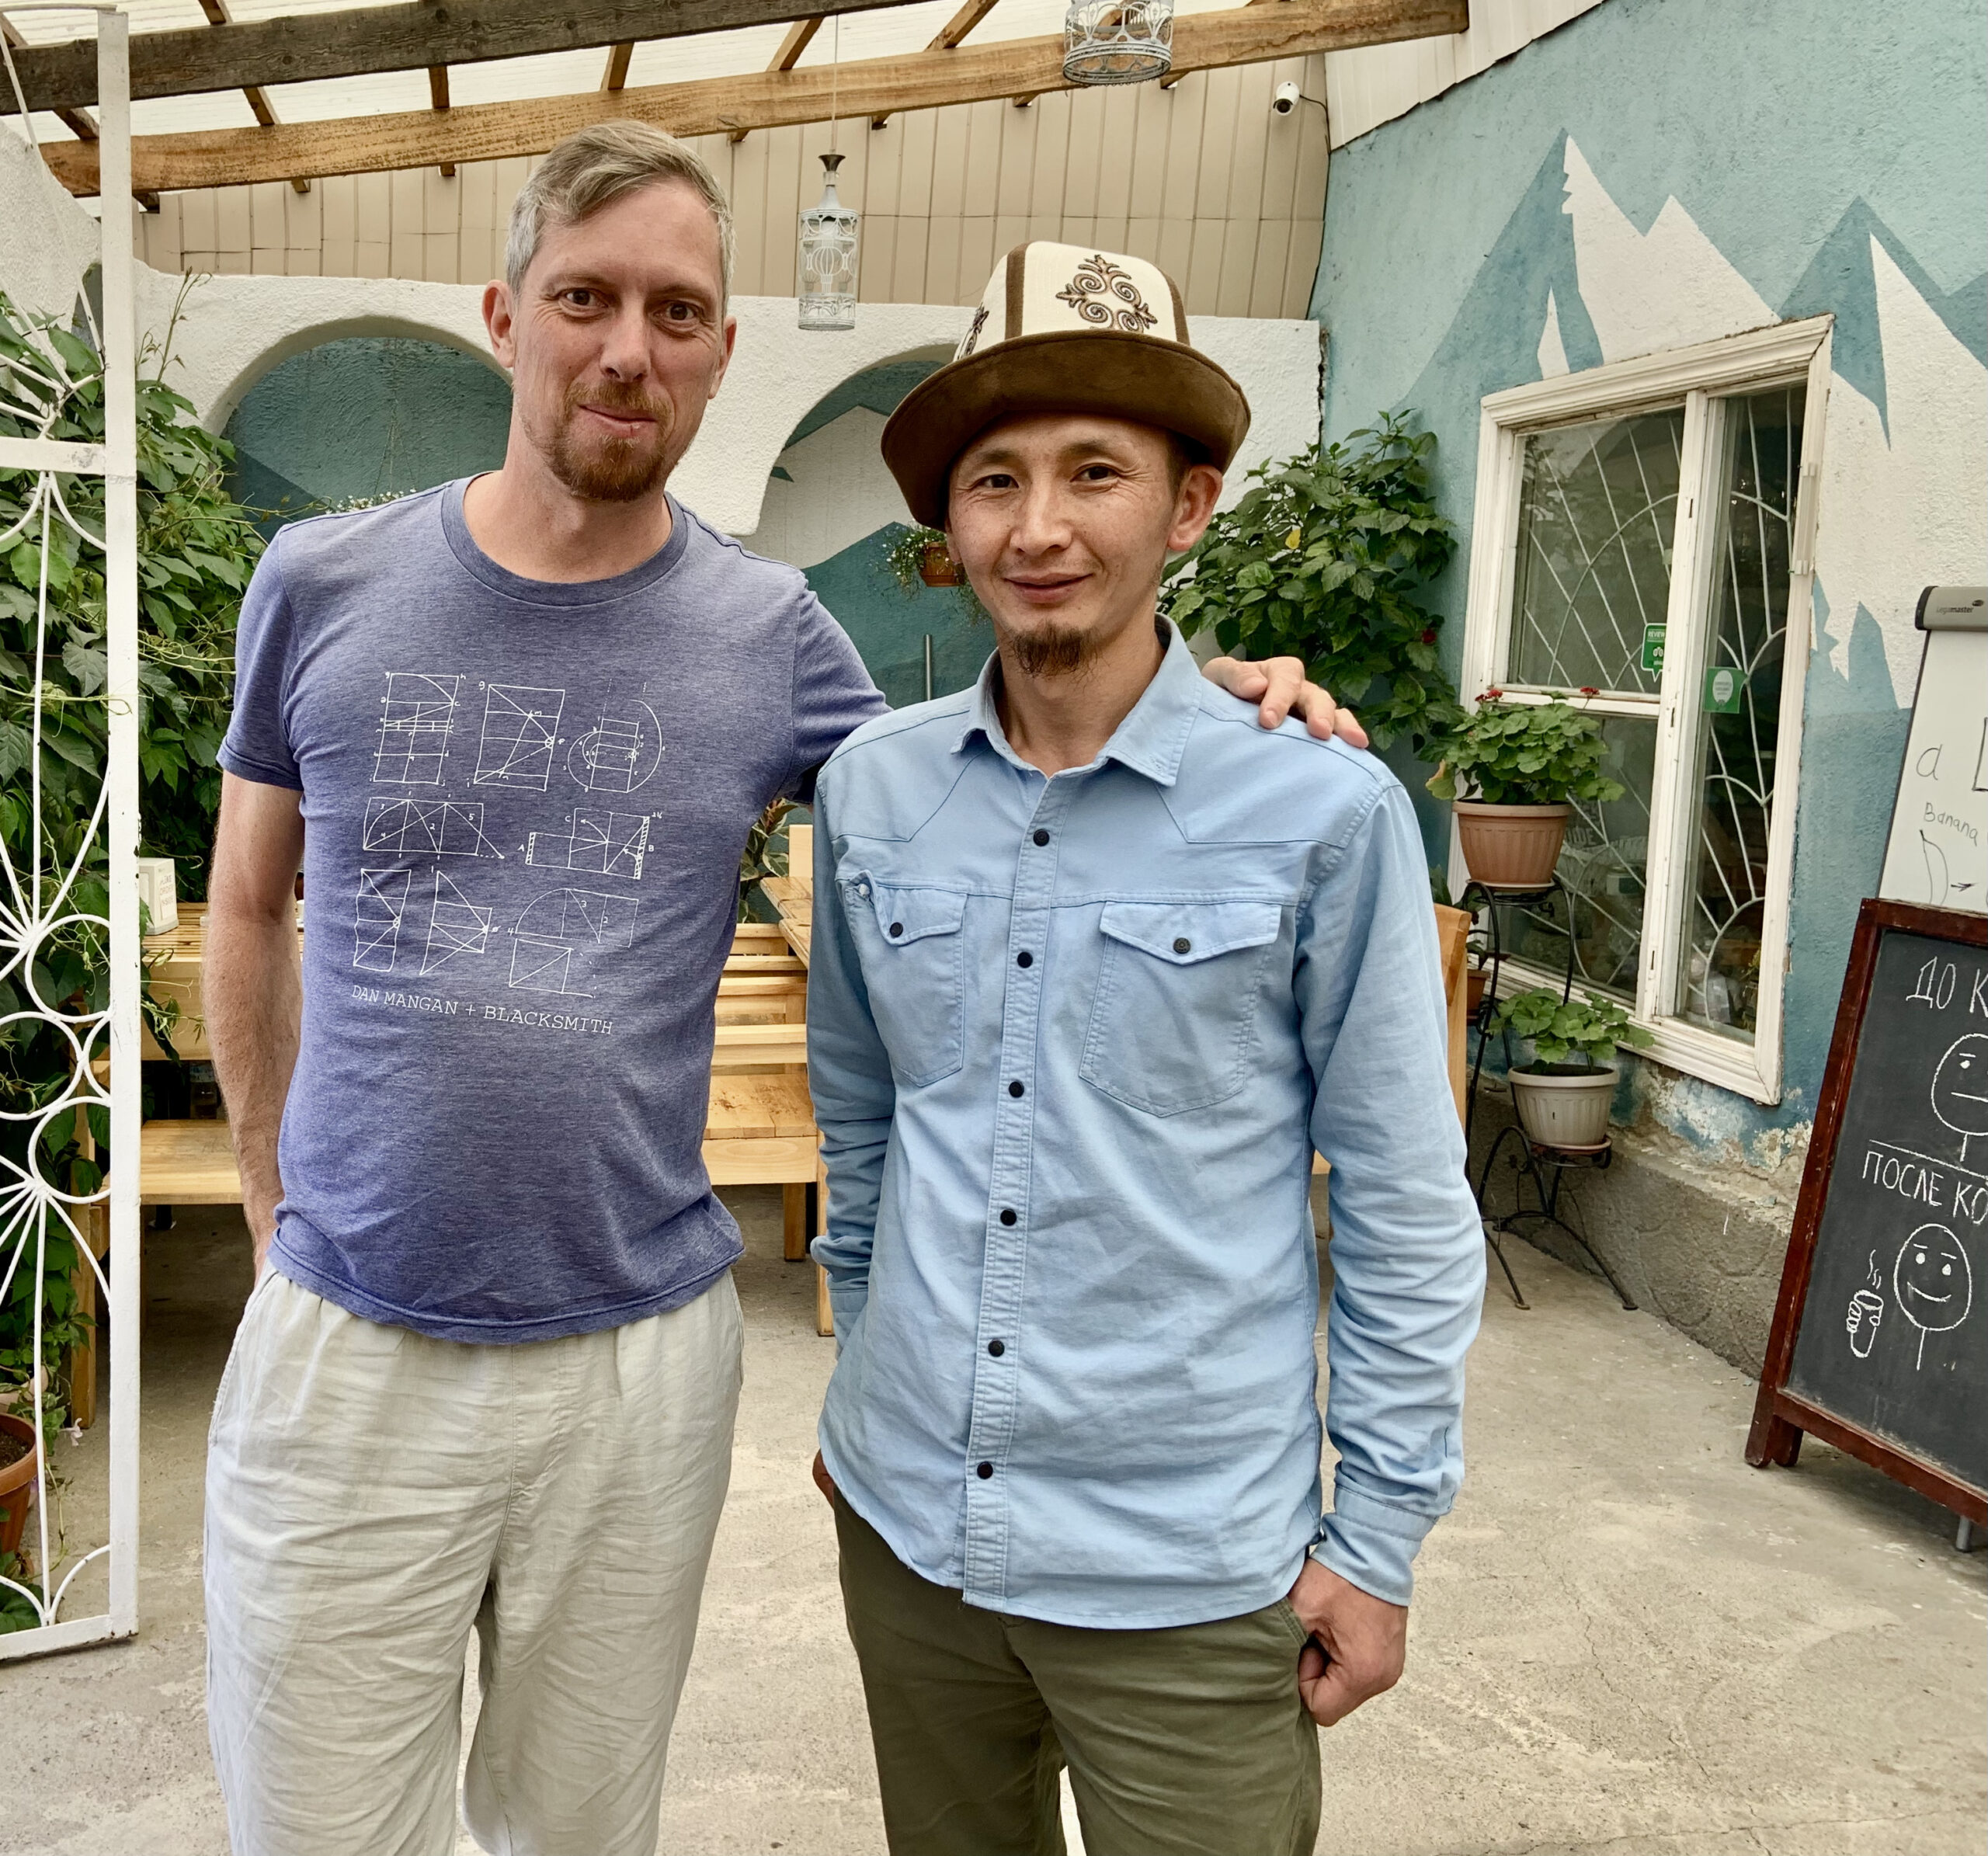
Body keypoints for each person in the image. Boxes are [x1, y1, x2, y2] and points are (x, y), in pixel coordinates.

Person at [201, 128, 1357, 1856]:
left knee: (577, 1830)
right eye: (585, 298)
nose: (627, 350)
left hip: (637, 1354)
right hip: (352, 1340)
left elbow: (1000, 758)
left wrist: (1212, 692)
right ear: (506, 313)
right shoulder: (322, 585)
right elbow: (244, 901)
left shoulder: (767, 632)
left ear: (722, 351)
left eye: (677, 310)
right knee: (313, 1831)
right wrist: (268, 1183)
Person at [805, 241, 1486, 1856]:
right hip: (909, 1537)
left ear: (1186, 507)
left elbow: (1399, 1199)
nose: (1037, 529)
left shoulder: (1320, 810)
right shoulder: (872, 794)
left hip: (1186, 1572)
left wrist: (1376, 1537)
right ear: (947, 523)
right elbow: (862, 1122)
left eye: (1093, 472)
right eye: (993, 481)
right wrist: (860, 1386)